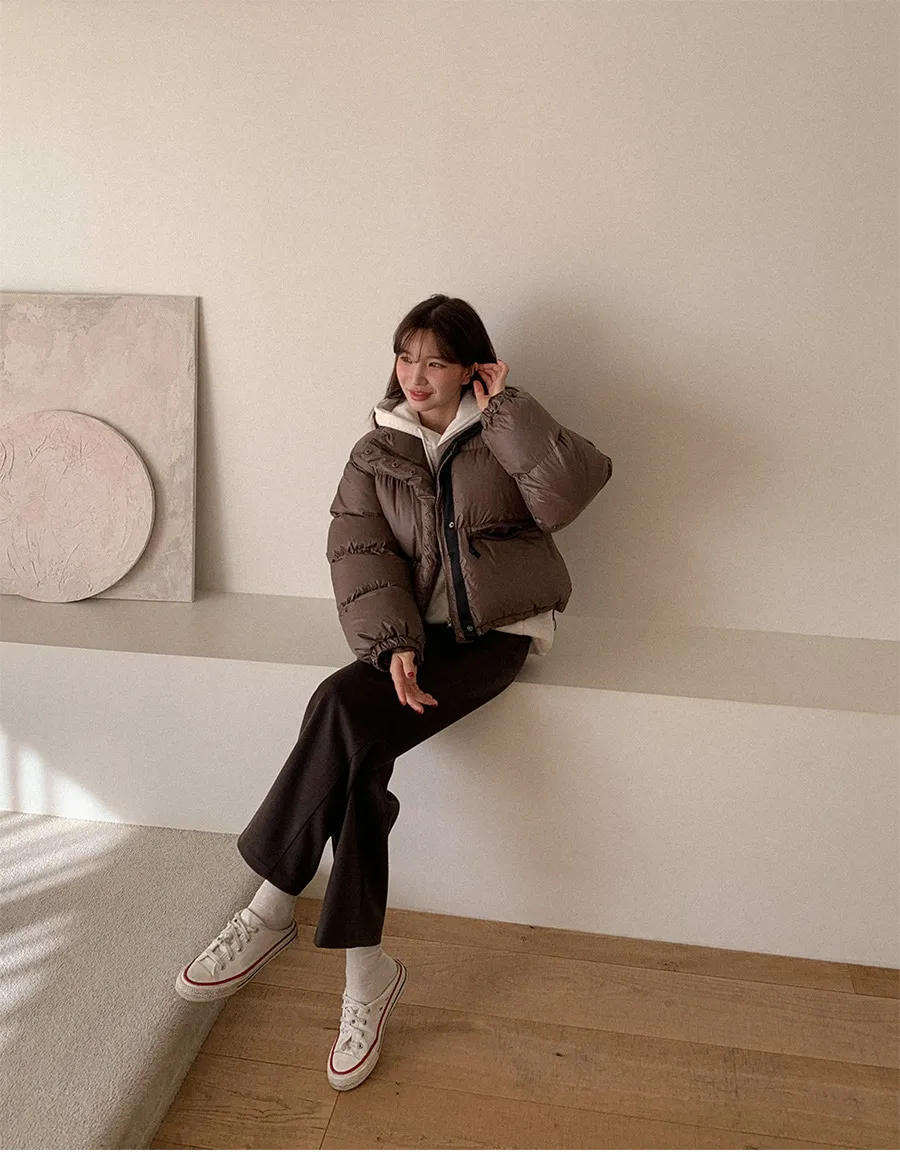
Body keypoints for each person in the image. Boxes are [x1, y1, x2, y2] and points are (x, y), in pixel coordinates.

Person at [174, 294, 613, 1091]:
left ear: (472, 368)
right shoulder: (377, 449)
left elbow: (569, 495)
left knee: (339, 711)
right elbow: (361, 553)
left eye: (436, 361)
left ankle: (272, 904)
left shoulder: (505, 431)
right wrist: (395, 646)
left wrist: (507, 409)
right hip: (418, 639)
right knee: (351, 735)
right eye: (406, 357)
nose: (416, 374)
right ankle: (364, 974)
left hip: (497, 635)